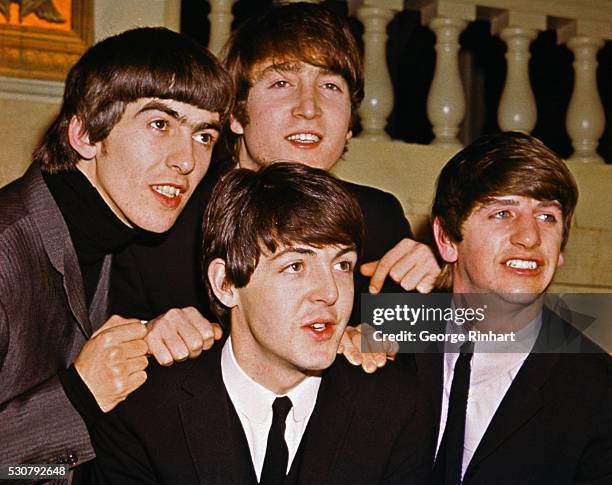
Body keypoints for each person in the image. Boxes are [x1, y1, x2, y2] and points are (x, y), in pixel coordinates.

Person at [110, 2, 441, 371]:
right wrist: (144, 336)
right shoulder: (165, 217)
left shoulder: (376, 218)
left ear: (350, 123)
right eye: (282, 83)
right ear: (235, 113)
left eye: (330, 85)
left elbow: (494, 340)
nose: (309, 108)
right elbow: (86, 355)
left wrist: (438, 290)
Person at [87, 162, 434, 485]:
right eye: (295, 267)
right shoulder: (143, 414)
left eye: (342, 265)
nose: (330, 293)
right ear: (226, 284)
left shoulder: (395, 411)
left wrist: (444, 282)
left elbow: (481, 326)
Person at [0, 27, 231, 474]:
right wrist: (78, 396)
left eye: (204, 135)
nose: (187, 160)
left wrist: (391, 321)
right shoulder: (16, 244)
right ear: (86, 133)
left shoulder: (123, 225)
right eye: (160, 124)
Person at [414, 131, 612, 484]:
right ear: (446, 239)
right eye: (503, 212)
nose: (529, 237)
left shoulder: (597, 393)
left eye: (547, 217)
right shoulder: (390, 336)